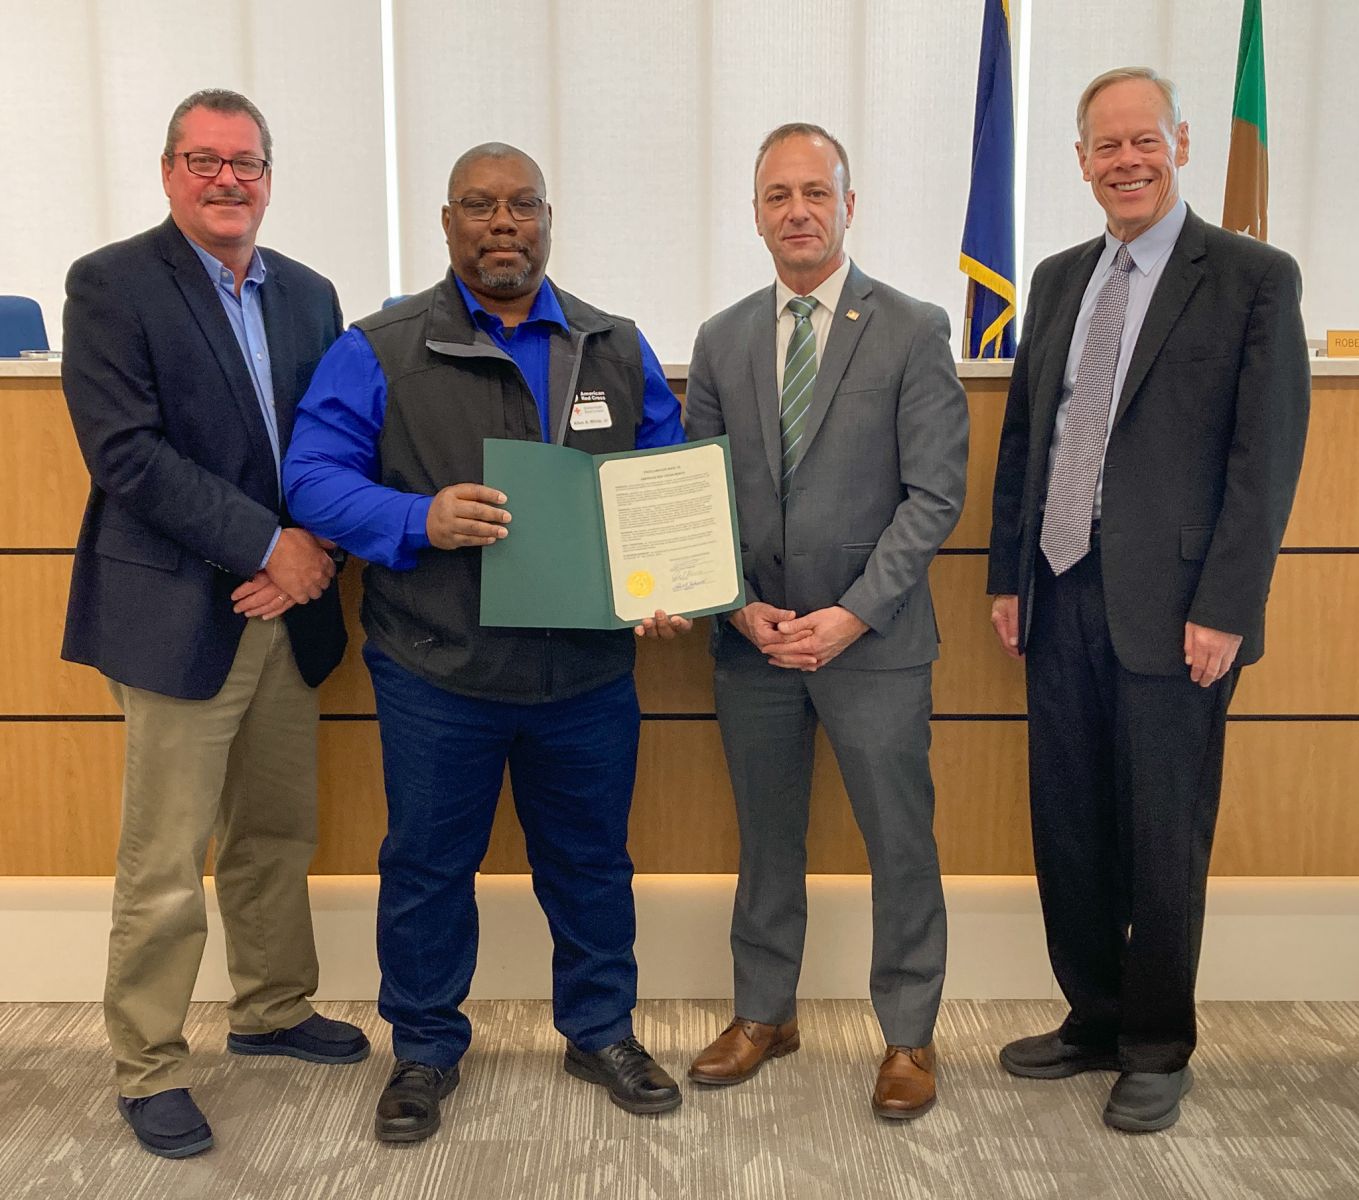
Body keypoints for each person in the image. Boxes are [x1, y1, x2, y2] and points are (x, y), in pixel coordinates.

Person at [284, 142, 689, 1142]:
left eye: (521, 206)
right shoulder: (377, 347)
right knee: (427, 863)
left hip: (587, 670)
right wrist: (421, 518)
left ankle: (600, 1029)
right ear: (447, 221)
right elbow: (311, 477)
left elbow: (666, 474)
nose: (502, 224)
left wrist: (673, 581)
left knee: (592, 861)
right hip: (437, 669)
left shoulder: (614, 344)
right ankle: (423, 1048)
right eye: (480, 206)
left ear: (548, 220)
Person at [987, 67, 1309, 1133]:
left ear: (1178, 141)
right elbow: (1028, 438)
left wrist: (1227, 605)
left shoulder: (1254, 276)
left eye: (1143, 141)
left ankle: (1158, 1043)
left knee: (1162, 831)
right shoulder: (1055, 277)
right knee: (1069, 823)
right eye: (1104, 147)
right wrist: (1006, 577)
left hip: (1179, 614)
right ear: (1079, 162)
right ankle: (1094, 1017)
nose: (1125, 161)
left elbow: (1264, 463)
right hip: (1059, 590)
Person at [61, 88, 368, 1160]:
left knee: (275, 833)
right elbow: (128, 454)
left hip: (293, 610)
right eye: (204, 160)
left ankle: (272, 1009)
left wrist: (313, 552)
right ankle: (146, 1063)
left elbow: (339, 444)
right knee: (164, 858)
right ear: (167, 173)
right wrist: (266, 544)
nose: (226, 179)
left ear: (269, 178)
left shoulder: (312, 295)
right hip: (176, 610)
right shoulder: (110, 284)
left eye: (245, 162)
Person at [683, 123, 969, 1120]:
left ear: (851, 204)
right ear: (754, 212)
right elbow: (697, 498)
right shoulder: (720, 339)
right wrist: (737, 606)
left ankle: (909, 1034)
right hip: (755, 645)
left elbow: (934, 497)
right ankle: (765, 1012)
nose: (796, 210)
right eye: (777, 195)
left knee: (901, 840)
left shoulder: (912, 327)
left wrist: (851, 614)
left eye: (816, 192)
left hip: (874, 646)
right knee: (767, 839)